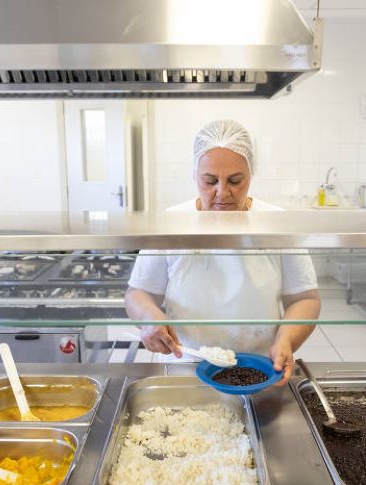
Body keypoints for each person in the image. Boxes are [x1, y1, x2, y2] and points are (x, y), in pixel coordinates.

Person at [124, 119, 320, 386]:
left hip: (261, 367)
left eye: (235, 181)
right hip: (185, 365)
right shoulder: (172, 223)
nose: (222, 192)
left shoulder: (276, 223)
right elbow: (139, 293)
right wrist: (150, 318)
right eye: (210, 180)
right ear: (195, 174)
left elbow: (305, 298)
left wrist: (286, 340)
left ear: (251, 175)